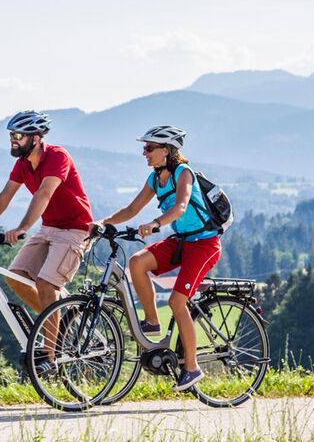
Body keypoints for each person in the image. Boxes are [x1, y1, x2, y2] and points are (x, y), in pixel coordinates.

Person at [0, 110, 93, 370]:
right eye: (11, 134)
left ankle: (49, 354)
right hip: (49, 228)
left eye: (18, 135)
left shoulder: (57, 156)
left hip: (75, 230)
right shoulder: (22, 163)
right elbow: (3, 198)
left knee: (45, 283)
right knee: (16, 277)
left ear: (36, 137)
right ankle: (58, 315)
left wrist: (23, 227)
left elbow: (44, 193)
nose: (13, 139)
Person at [93, 125, 222, 391]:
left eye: (149, 148)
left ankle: (192, 368)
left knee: (177, 301)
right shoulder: (155, 179)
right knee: (137, 262)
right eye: (144, 148)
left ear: (167, 150)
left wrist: (156, 223)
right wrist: (103, 222)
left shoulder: (182, 173)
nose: (145, 153)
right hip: (183, 241)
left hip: (204, 243)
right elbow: (131, 208)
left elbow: (181, 205)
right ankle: (152, 321)